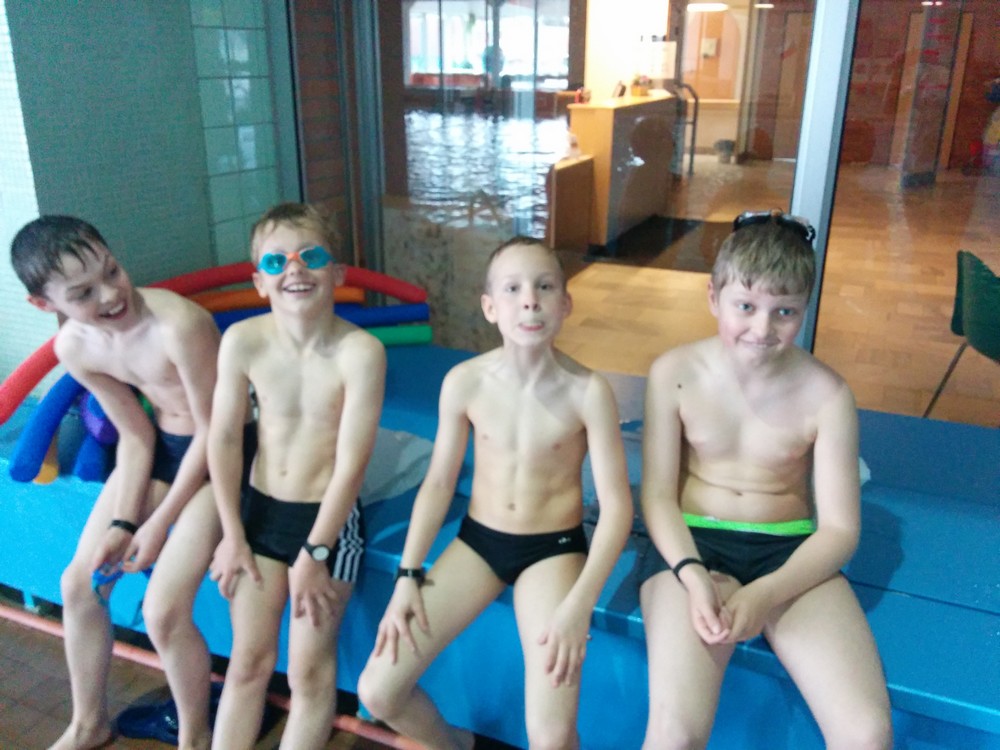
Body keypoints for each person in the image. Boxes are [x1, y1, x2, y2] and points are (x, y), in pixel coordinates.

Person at [357, 237, 633, 750]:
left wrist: (579, 602)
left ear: (566, 303)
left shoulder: (588, 392)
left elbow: (617, 508)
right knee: (378, 691)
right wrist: (407, 575)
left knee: (551, 736)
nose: (530, 301)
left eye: (544, 287)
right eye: (513, 289)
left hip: (553, 552)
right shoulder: (465, 382)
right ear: (490, 307)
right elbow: (438, 483)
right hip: (478, 543)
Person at [637, 210, 893, 749]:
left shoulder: (828, 395)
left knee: (867, 735)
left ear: (805, 309)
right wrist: (691, 574)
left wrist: (766, 593)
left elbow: (840, 530)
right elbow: (657, 496)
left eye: (784, 312)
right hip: (692, 546)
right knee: (674, 735)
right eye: (746, 307)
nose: (762, 328)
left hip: (788, 554)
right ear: (713, 297)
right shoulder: (673, 374)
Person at [11, 216, 224, 750]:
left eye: (112, 271)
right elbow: (135, 435)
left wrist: (156, 523)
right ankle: (89, 724)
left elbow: (216, 433)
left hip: (227, 455)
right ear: (44, 303)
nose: (110, 294)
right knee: (79, 584)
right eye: (83, 293)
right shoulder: (74, 348)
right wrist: (125, 522)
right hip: (164, 450)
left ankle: (195, 737)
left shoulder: (180, 325)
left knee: (162, 611)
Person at [207, 202, 386, 750]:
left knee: (309, 673)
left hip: (328, 523)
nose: (294, 269)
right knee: (247, 663)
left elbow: (352, 463)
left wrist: (316, 550)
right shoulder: (243, 341)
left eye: (311, 256)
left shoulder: (361, 352)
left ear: (338, 273)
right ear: (259, 282)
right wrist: (232, 534)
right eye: (276, 261)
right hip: (260, 515)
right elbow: (225, 438)